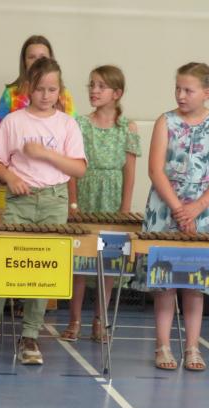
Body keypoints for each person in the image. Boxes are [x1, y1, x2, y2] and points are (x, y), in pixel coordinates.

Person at [0, 57, 87, 366]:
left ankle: (30, 336)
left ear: (60, 91)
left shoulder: (67, 124)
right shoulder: (14, 122)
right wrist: (12, 178)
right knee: (7, 265)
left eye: (53, 89)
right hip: (20, 200)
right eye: (41, 88)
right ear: (29, 87)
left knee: (44, 271)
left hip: (54, 200)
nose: (46, 95)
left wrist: (45, 153)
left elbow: (79, 168)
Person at [137, 62, 209, 371]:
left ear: (206, 93)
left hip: (203, 212)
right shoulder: (165, 122)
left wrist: (197, 206)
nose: (180, 95)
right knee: (164, 282)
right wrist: (178, 207)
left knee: (196, 282)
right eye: (177, 88)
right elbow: (155, 169)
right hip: (166, 207)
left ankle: (193, 347)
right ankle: (163, 346)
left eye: (188, 90)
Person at [61, 65, 140, 343]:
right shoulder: (79, 124)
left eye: (101, 86)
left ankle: (100, 320)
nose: (94, 91)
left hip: (112, 196)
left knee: (107, 263)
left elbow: (129, 171)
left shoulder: (127, 127)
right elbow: (72, 167)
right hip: (85, 193)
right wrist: (73, 202)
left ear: (116, 93)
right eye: (91, 85)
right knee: (79, 262)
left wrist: (125, 208)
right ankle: (74, 319)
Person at [0, 35, 75, 129]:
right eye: (32, 57)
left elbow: (72, 129)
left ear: (51, 60)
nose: (37, 61)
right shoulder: (10, 94)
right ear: (24, 61)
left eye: (42, 57)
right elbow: (2, 132)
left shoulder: (64, 95)